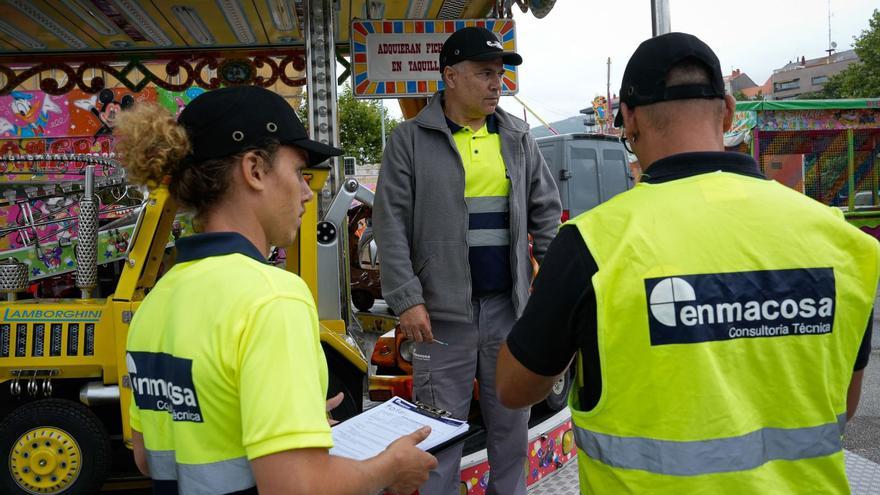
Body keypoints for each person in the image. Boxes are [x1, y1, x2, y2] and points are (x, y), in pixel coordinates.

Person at [495, 32, 878, 494]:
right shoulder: (842, 242)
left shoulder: (591, 245)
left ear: (629, 124)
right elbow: (845, 401)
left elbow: (514, 389)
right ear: (730, 111)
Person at [116, 85, 437, 495]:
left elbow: (148, 457)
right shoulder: (273, 297)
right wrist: (390, 466)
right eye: (299, 173)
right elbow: (296, 487)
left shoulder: (156, 302)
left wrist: (281, 420)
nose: (307, 193)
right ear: (254, 170)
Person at [373, 26, 561, 495]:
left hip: (507, 312)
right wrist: (407, 299)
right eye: (484, 73)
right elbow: (389, 224)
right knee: (437, 441)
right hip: (437, 318)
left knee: (511, 432)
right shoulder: (409, 140)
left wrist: (552, 293)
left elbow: (546, 215)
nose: (497, 83)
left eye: (499, 74)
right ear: (450, 76)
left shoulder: (517, 138)